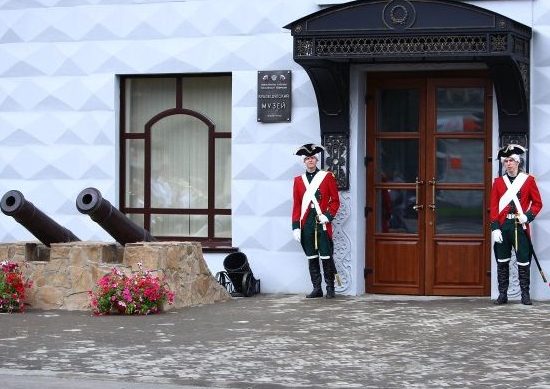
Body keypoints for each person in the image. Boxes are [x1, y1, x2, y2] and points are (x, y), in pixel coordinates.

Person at [490, 144, 543, 305]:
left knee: (523, 260)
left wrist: (527, 217)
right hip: (503, 225)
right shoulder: (498, 182)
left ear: (518, 162)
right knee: (502, 260)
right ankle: (503, 295)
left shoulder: (528, 181)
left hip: (520, 226)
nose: (508, 163)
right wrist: (495, 228)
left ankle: (524, 295)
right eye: (506, 161)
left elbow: (537, 203)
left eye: (511, 160)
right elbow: (493, 206)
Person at [292, 143, 340, 299]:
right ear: (304, 161)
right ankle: (317, 288)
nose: (310, 161)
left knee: (326, 256)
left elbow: (335, 201)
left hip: (322, 223)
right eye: (307, 158)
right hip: (307, 224)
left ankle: (330, 288)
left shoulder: (327, 177)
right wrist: (296, 227)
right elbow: (297, 205)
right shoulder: (298, 181)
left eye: (312, 158)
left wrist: (327, 215)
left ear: (316, 160)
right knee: (311, 257)